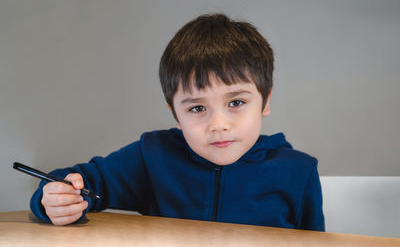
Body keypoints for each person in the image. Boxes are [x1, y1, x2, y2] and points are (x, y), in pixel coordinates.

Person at [30, 13, 325, 231]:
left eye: (236, 102)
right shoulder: (152, 157)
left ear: (266, 101)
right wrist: (54, 200)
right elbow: (73, 181)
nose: (218, 124)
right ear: (175, 113)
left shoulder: (298, 172)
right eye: (197, 108)